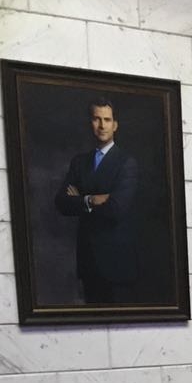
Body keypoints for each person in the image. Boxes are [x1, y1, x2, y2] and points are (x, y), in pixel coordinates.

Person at [52, 97, 138, 304]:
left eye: (107, 120)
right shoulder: (79, 162)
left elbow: (117, 208)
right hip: (88, 259)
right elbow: (61, 203)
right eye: (96, 119)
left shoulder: (126, 163)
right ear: (90, 123)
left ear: (115, 125)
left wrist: (80, 200)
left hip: (116, 262)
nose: (102, 125)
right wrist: (92, 200)